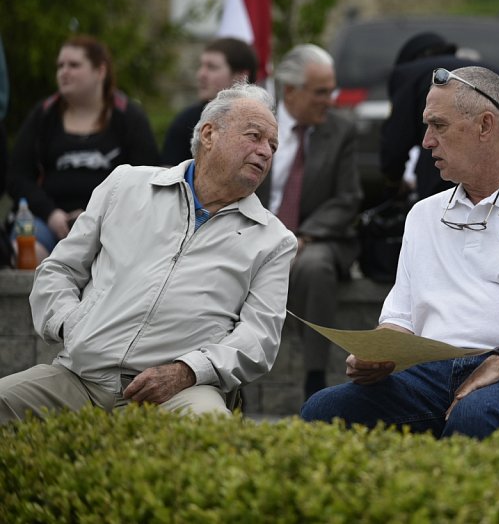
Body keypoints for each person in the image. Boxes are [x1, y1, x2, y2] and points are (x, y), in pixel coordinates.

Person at [301, 66, 499, 438]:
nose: (426, 141)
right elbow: (401, 316)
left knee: (476, 415)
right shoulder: (423, 214)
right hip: (428, 374)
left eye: (439, 126)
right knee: (323, 410)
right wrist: (379, 353)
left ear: (484, 126)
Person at [0, 83, 296, 424]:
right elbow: (59, 270)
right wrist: (71, 324)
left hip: (179, 393)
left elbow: (258, 339)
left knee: (211, 433)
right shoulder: (125, 185)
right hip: (80, 378)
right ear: (210, 134)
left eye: (272, 145)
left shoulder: (273, 240)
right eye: (254, 136)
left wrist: (186, 371)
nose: (265, 151)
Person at [255, 44, 362, 399]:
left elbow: (348, 198)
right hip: (256, 230)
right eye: (320, 92)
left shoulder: (341, 130)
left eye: (330, 90)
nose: (329, 100)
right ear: (290, 91)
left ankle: (314, 376)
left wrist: (303, 236)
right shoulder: (259, 127)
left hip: (317, 238)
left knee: (314, 268)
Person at [8, 35, 159, 259]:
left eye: (74, 65)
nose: (64, 72)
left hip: (111, 226)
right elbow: (17, 176)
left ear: (100, 71)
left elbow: (149, 179)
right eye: (60, 66)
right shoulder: (44, 114)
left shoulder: (128, 117)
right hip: (47, 223)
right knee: (24, 253)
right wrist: (51, 214)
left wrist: (95, 217)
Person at [380, 31, 499, 200]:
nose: (427, 141)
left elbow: (395, 142)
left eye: (439, 125)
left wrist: (393, 184)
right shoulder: (495, 72)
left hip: (447, 178)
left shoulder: (407, 75)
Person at [161, 37, 259, 165]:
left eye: (212, 67)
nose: (201, 74)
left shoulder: (266, 124)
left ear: (241, 77)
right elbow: (167, 178)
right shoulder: (186, 122)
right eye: (201, 66)